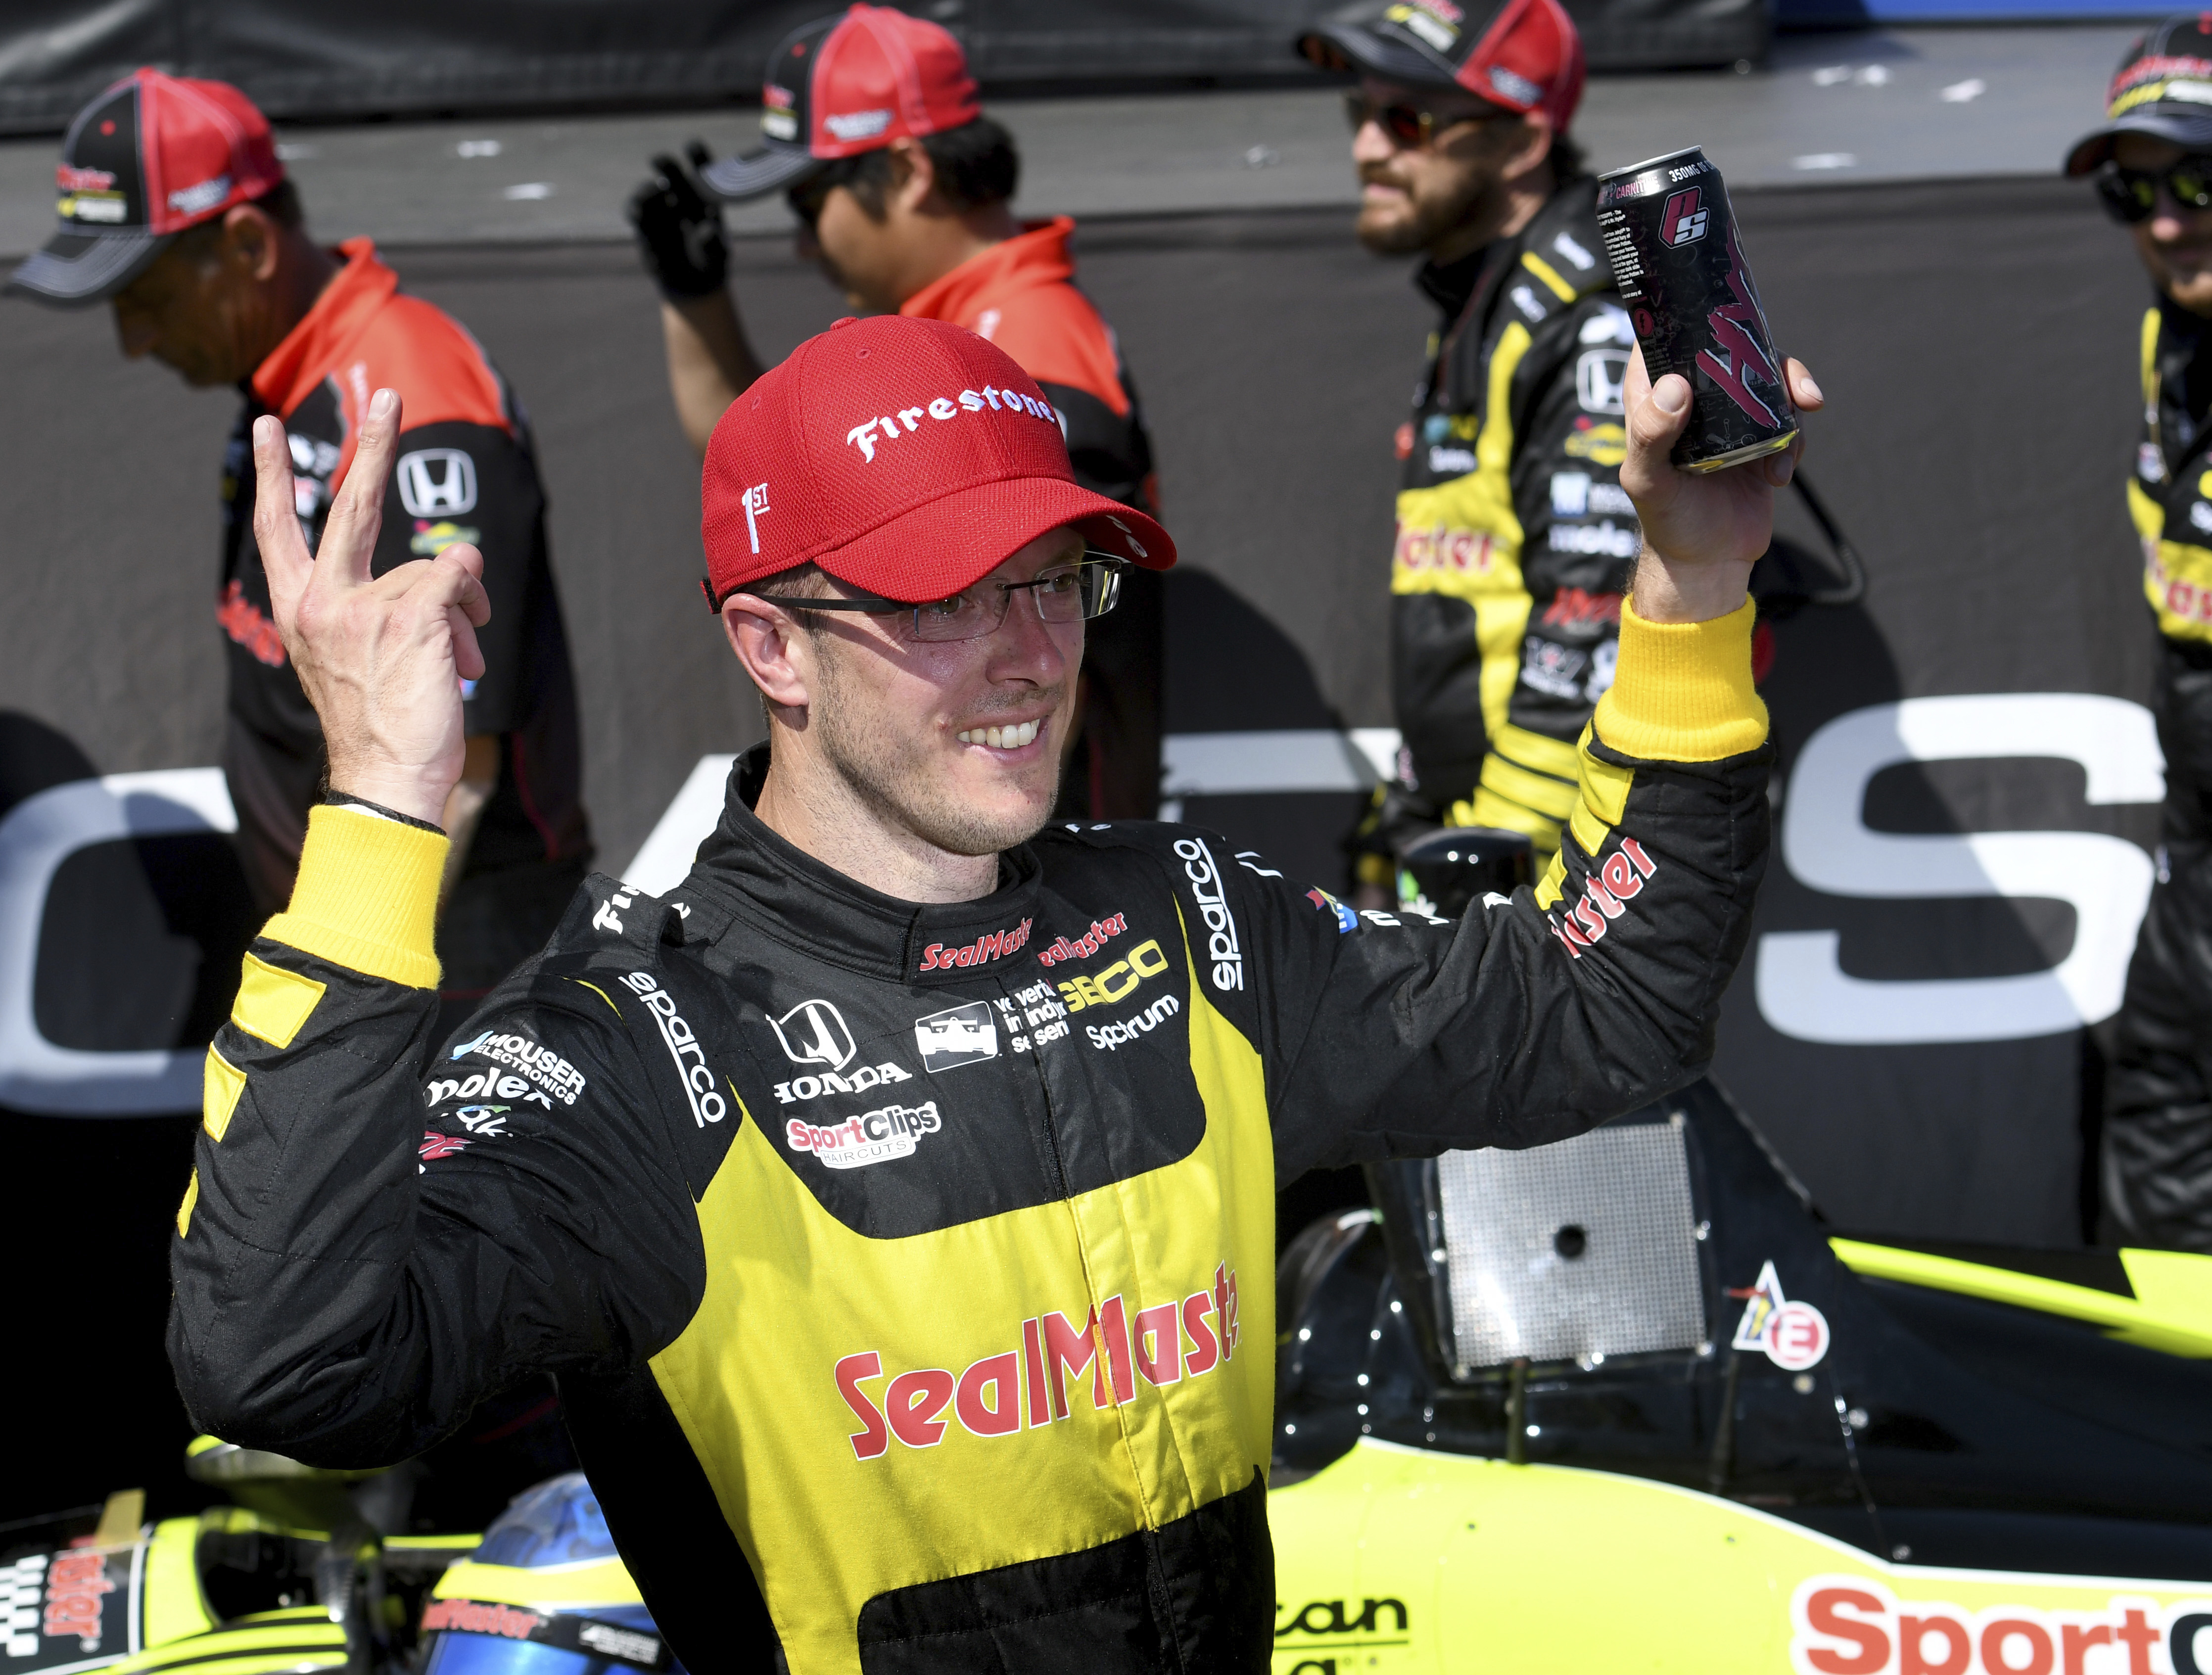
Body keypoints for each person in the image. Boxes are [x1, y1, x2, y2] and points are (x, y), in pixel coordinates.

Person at [168, 310, 1819, 1671]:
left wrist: (1690, 589)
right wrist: (385, 804)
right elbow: (289, 1364)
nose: (1029, 651)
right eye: (945, 597)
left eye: (1053, 580)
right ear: (772, 647)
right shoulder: (629, 1048)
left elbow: (1601, 1008)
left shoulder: (1189, 928)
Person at [5, 68, 592, 1033]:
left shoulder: (410, 398)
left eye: (143, 294)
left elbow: (462, 764)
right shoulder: (284, 375)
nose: (132, 339)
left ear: (243, 243)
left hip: (449, 958)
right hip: (359, 935)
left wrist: (338, 1005)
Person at [626, 2, 1164, 822]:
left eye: (809, 203)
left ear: (910, 171)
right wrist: (695, 299)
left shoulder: (1024, 351)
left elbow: (1046, 662)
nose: (805, 243)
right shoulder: (965, 343)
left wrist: (1015, 871)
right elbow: (773, 495)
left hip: (1035, 862)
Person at [1297, 0, 1641, 902]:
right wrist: (1418, 806)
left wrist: (1495, 857)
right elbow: (1473, 591)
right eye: (1360, 115)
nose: (1369, 148)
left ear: (1522, 144)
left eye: (1408, 120)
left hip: (1558, 853)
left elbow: (1595, 614)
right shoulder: (1489, 297)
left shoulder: (1587, 316)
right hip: (1483, 819)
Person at [2070, 19, 2212, 1251]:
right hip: (2199, 859)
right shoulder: (2173, 339)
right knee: (2156, 1113)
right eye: (2136, 189)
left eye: (2202, 181)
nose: (2166, 222)